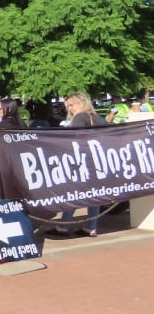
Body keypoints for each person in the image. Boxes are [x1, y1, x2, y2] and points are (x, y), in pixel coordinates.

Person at [48, 92, 107, 238]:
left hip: (82, 163)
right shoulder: (97, 117)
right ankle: (91, 227)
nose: (69, 109)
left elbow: (74, 140)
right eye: (68, 106)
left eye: (71, 105)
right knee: (94, 195)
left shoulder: (80, 117)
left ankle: (63, 226)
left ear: (80, 103)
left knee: (73, 193)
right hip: (98, 162)